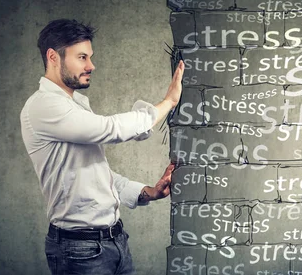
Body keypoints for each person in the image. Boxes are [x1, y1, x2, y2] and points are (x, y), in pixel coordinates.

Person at [20, 19, 184, 275]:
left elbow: (96, 173)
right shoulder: (43, 106)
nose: (91, 66)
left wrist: (147, 192)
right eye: (82, 57)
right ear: (53, 57)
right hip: (79, 251)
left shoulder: (76, 105)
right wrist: (168, 102)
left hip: (114, 242)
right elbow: (110, 129)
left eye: (90, 57)